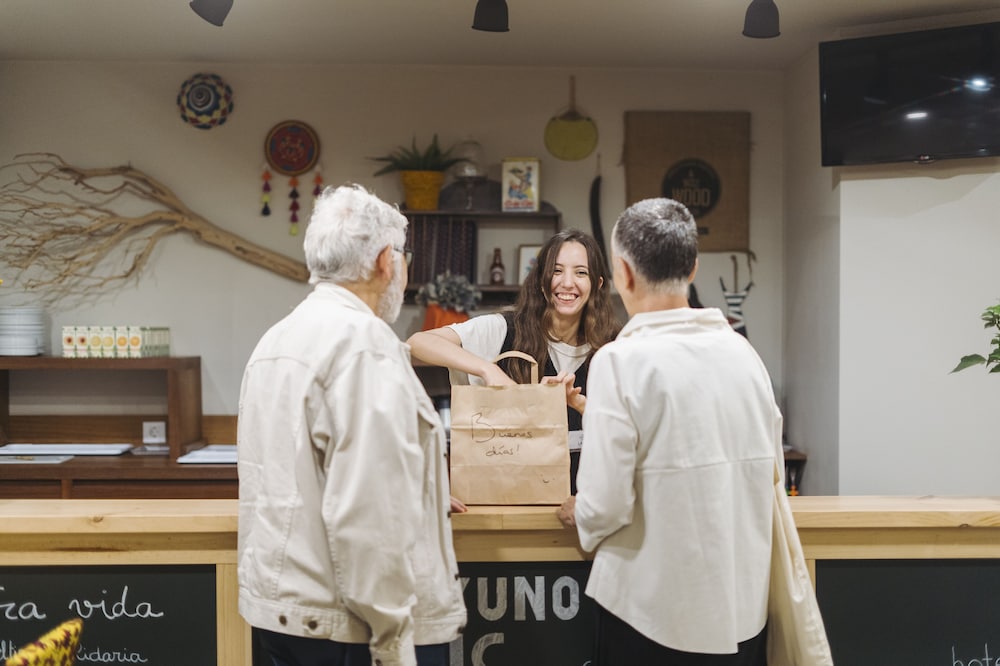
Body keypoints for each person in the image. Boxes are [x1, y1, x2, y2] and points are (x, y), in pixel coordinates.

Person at [237, 184, 466, 666]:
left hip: (282, 616)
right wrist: (393, 639)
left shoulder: (275, 339)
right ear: (385, 261)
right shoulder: (365, 345)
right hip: (352, 629)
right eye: (403, 257)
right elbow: (367, 513)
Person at [557, 198, 781, 665]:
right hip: (743, 611)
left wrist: (582, 510)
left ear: (622, 273)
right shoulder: (744, 355)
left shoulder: (620, 360)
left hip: (652, 616)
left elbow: (604, 506)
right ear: (693, 268)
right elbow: (772, 477)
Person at [406, 229, 621, 494]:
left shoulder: (614, 347)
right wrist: (488, 370)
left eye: (581, 273)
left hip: (590, 500)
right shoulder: (503, 329)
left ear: (597, 284)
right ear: (541, 280)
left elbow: (626, 435)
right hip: (510, 499)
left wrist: (579, 405)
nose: (567, 283)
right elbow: (418, 343)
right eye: (556, 271)